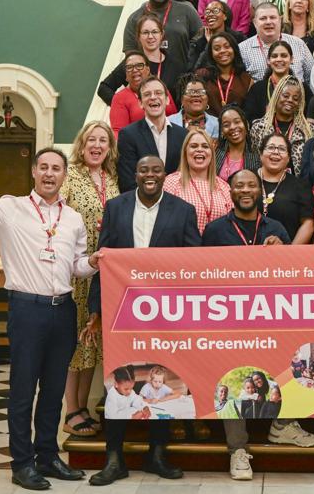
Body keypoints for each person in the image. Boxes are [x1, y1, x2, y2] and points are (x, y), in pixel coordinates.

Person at [0, 146, 99, 490]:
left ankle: (48, 456)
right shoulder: (12, 208)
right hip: (26, 310)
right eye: (44, 168)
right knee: (23, 391)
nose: (50, 174)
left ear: (64, 175)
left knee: (53, 391)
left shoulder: (73, 218)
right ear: (34, 173)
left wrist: (93, 263)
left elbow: (77, 267)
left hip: (63, 310)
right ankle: (22, 463)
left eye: (56, 168)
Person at [84, 155, 200, 486]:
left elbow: (193, 266)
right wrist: (95, 310)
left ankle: (157, 454)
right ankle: (114, 458)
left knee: (161, 380)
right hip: (122, 313)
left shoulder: (183, 211)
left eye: (156, 170)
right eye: (144, 170)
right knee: (116, 384)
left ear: (166, 175)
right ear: (135, 174)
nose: (150, 175)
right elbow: (103, 262)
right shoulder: (116, 208)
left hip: (166, 314)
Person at [60, 123, 119, 440]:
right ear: (81, 145)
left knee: (91, 343)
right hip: (76, 269)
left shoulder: (112, 180)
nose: (97, 145)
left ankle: (83, 407)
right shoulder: (69, 176)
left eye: (103, 141)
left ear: (109, 147)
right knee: (75, 343)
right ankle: (71, 410)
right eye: (91, 140)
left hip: (104, 270)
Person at [116, 78, 185, 188]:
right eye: (147, 94)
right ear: (140, 103)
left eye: (158, 93)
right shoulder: (128, 135)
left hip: (175, 202)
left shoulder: (183, 135)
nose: (153, 97)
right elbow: (128, 181)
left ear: (167, 100)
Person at [123, 0, 202, 60]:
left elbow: (202, 44)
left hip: (181, 73)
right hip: (148, 74)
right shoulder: (135, 18)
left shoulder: (187, 11)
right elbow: (130, 55)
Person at [163, 128, 231, 232]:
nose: (199, 149)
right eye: (194, 146)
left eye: (205, 146)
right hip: (183, 247)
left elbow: (232, 225)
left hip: (218, 246)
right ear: (185, 152)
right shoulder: (171, 183)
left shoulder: (224, 187)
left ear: (211, 153)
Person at [255, 131, 314, 243]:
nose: (276, 152)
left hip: (287, 254)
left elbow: (308, 224)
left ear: (288, 158)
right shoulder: (246, 180)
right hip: (245, 253)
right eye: (271, 147)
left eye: (282, 149)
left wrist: (290, 254)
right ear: (261, 154)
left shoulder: (300, 186)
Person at [250, 76, 314, 178]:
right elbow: (254, 161)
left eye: (295, 98)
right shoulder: (258, 128)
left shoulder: (309, 130)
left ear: (299, 103)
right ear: (276, 96)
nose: (290, 100)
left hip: (297, 187)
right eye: (285, 96)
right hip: (265, 184)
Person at [239, 2, 314, 84]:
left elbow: (311, 77)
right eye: (263, 18)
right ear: (254, 23)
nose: (268, 22)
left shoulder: (298, 44)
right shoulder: (243, 49)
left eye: (272, 17)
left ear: (280, 20)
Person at [198, 32, 253, 116]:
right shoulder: (202, 75)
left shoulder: (246, 79)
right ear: (211, 53)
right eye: (217, 48)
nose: (222, 51)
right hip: (208, 127)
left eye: (227, 47)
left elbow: (249, 110)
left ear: (234, 49)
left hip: (236, 126)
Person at [242, 38, 297, 122]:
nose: (279, 59)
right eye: (274, 56)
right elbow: (249, 118)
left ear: (291, 59)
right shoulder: (257, 89)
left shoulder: (302, 88)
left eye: (284, 55)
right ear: (268, 60)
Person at [215, 105, 258, 180]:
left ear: (246, 124)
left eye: (237, 122)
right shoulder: (214, 154)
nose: (232, 127)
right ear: (222, 131)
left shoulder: (256, 158)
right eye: (226, 125)